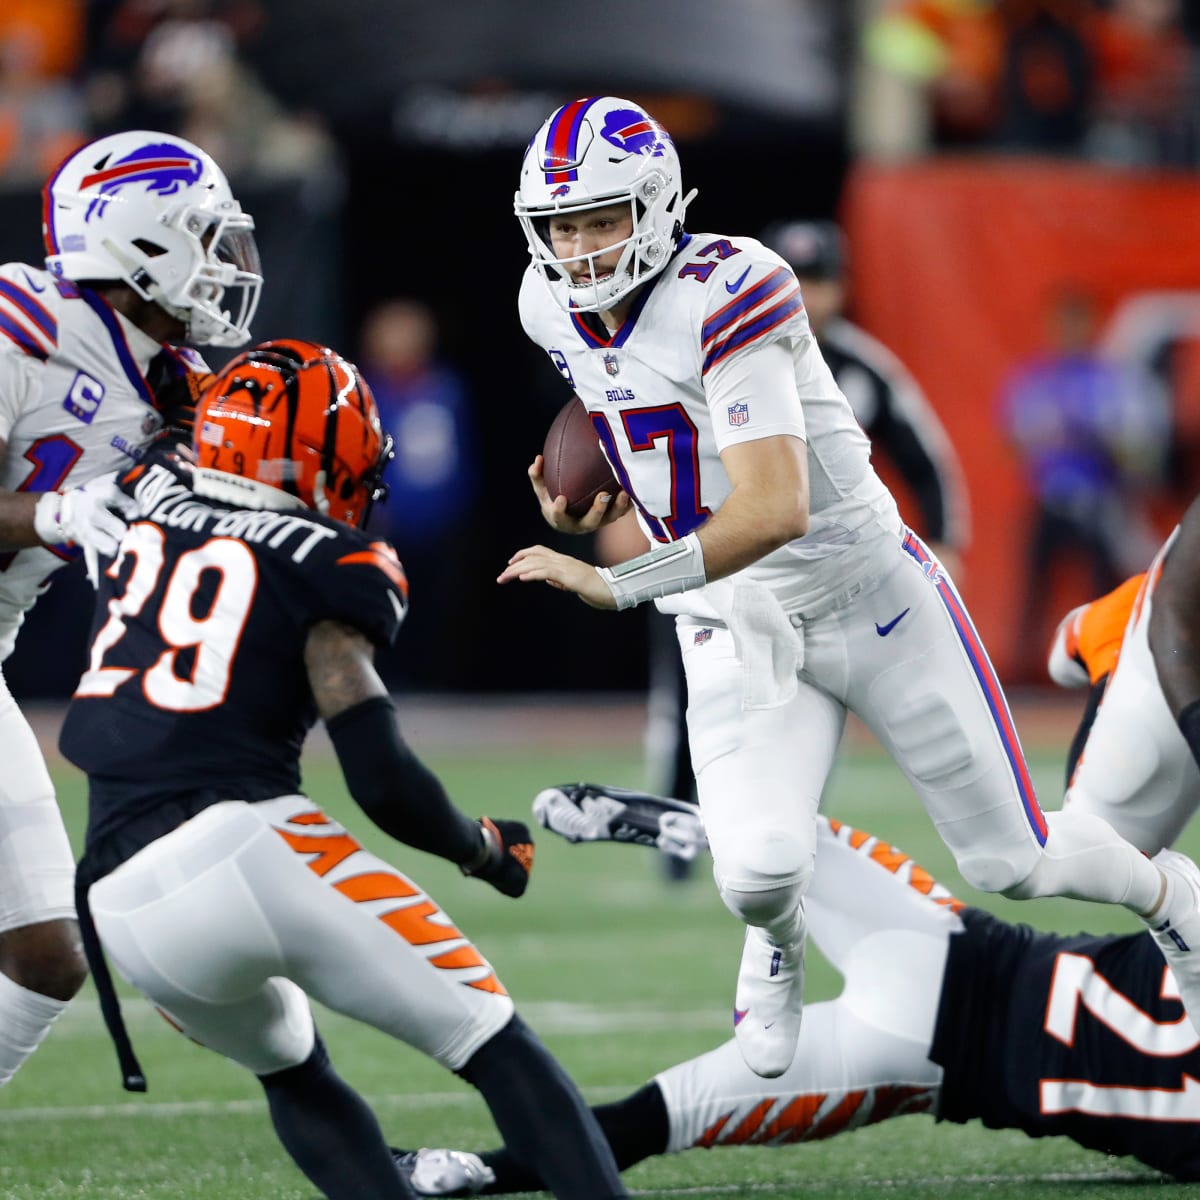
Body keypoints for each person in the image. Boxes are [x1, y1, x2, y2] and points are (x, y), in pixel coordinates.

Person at [496, 94, 1200, 1082]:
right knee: (757, 871)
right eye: (561, 226)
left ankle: (1175, 899)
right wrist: (590, 498)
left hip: (867, 593)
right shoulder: (545, 301)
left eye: (602, 218)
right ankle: (772, 937)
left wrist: (620, 581)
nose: (580, 247)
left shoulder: (736, 284)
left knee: (1017, 864)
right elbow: (621, 391)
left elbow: (776, 507)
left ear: (657, 205)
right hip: (735, 617)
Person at [57, 340, 628, 1200]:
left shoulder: (146, 498)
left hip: (113, 894)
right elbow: (379, 776)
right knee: (497, 1046)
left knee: (295, 1074)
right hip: (240, 841)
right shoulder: (330, 559)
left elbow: (164, 445)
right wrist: (480, 847)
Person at [397, 797, 1200, 1194]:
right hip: (930, 1058)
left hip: (957, 958)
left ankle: (683, 822)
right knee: (660, 1116)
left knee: (785, 837)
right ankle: (472, 1173)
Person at [596, 217, 971, 886]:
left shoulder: (862, 368)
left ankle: (794, 839)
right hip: (711, 556)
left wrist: (945, 539)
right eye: (800, 279)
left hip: (818, 569)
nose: (811, 295)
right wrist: (625, 506)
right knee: (689, 699)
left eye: (821, 280)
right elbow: (648, 434)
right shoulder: (702, 344)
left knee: (817, 704)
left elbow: (926, 458)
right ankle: (679, 836)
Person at [0, 128, 261, 1089]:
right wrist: (56, 512)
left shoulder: (176, 382)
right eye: (207, 236)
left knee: (42, 956)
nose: (230, 263)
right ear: (143, 242)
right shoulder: (18, 323)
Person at [998, 282, 1169, 683]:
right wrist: (1045, 438)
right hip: (1049, 498)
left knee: (1102, 591)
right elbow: (1012, 443)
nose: (1070, 330)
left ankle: (1108, 667)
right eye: (1063, 322)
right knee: (1033, 593)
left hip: (1097, 500)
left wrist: (1102, 439)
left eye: (1078, 321)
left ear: (1092, 325)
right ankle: (1024, 676)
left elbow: (1142, 453)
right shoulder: (1035, 379)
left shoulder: (1112, 381)